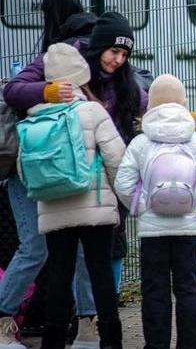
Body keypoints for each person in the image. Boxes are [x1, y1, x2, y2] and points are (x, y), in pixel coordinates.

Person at [0, 0, 102, 349]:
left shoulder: (69, 56)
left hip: (60, 170)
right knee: (47, 248)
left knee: (52, 247)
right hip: (40, 169)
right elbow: (15, 91)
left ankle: (86, 324)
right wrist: (49, 91)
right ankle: (85, 325)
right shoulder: (54, 62)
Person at [114, 74, 196, 349]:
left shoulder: (141, 143)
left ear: (150, 107)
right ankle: (190, 344)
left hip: (151, 230)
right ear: (183, 104)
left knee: (154, 289)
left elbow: (123, 183)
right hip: (187, 227)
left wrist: (143, 206)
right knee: (188, 286)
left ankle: (156, 345)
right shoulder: (195, 141)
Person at [26, 43, 126, 349]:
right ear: (81, 76)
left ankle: (52, 342)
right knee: (100, 273)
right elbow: (116, 159)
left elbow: (24, 165)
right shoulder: (92, 111)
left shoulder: (35, 114)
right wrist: (124, 201)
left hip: (54, 206)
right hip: (94, 205)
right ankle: (110, 340)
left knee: (59, 274)